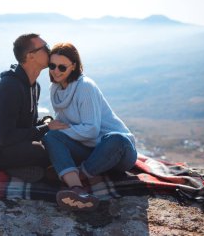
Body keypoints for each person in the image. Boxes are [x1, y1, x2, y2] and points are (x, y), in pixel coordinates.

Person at [42, 42, 138, 211]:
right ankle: (78, 191)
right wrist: (54, 128)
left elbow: (91, 130)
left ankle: (73, 176)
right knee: (50, 136)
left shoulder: (85, 87)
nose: (56, 71)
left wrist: (62, 129)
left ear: (73, 66)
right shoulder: (55, 88)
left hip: (117, 152)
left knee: (116, 138)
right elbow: (64, 122)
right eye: (52, 65)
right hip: (89, 151)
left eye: (62, 67)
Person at [0, 33, 59, 182]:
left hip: (10, 145)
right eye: (45, 47)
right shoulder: (10, 87)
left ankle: (28, 168)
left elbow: (26, 126)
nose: (50, 51)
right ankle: (15, 169)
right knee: (41, 150)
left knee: (55, 141)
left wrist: (45, 124)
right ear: (30, 56)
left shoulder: (34, 86)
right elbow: (6, 137)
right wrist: (46, 128)